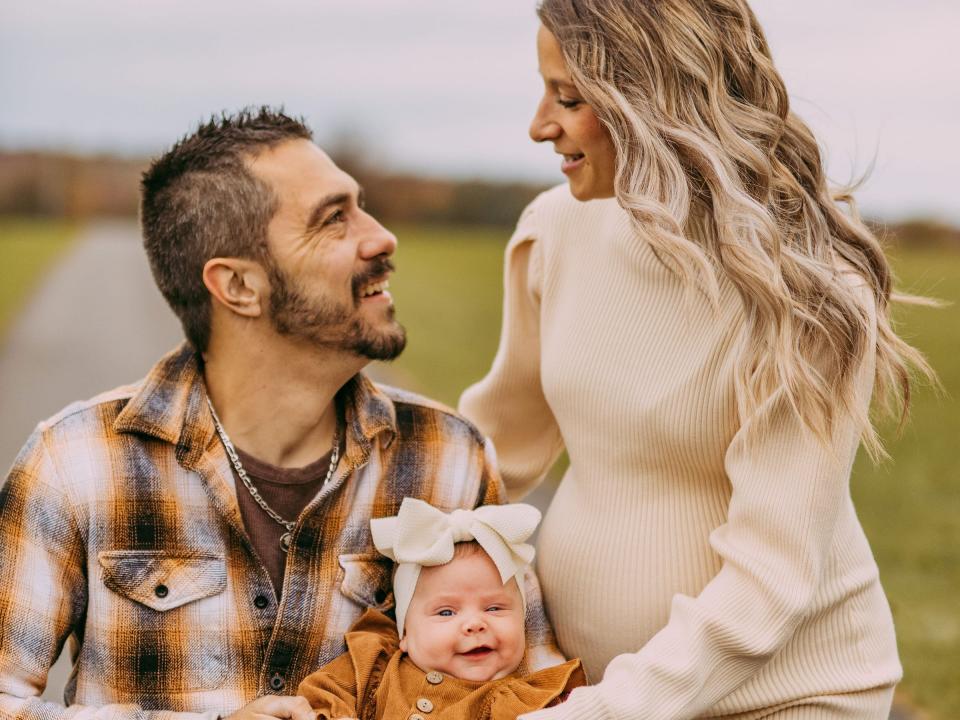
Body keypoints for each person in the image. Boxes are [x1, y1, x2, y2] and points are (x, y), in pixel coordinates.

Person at [0, 107, 562, 720]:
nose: (381, 237)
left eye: (362, 207)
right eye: (333, 220)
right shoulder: (75, 460)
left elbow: (535, 691)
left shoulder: (450, 457)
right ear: (239, 286)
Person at [459, 2, 934, 718]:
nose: (539, 125)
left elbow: (770, 578)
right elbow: (490, 448)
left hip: (786, 697)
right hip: (588, 685)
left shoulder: (808, 285)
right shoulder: (553, 231)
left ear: (654, 96)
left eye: (569, 98)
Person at [298, 498, 584, 720]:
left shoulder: (521, 703)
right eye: (446, 612)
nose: (475, 624)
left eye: (494, 608)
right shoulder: (375, 663)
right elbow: (324, 692)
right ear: (405, 633)